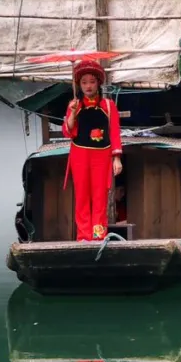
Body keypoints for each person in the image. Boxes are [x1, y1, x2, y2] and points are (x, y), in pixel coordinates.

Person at [63, 59, 122, 241]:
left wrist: (117, 158)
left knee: (100, 196)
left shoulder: (108, 106)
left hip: (102, 155)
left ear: (98, 83)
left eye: (92, 82)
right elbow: (68, 132)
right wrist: (72, 113)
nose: (88, 86)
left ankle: (98, 236)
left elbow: (114, 132)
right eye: (84, 82)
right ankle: (83, 237)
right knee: (81, 196)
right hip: (80, 155)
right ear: (79, 85)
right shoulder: (74, 105)